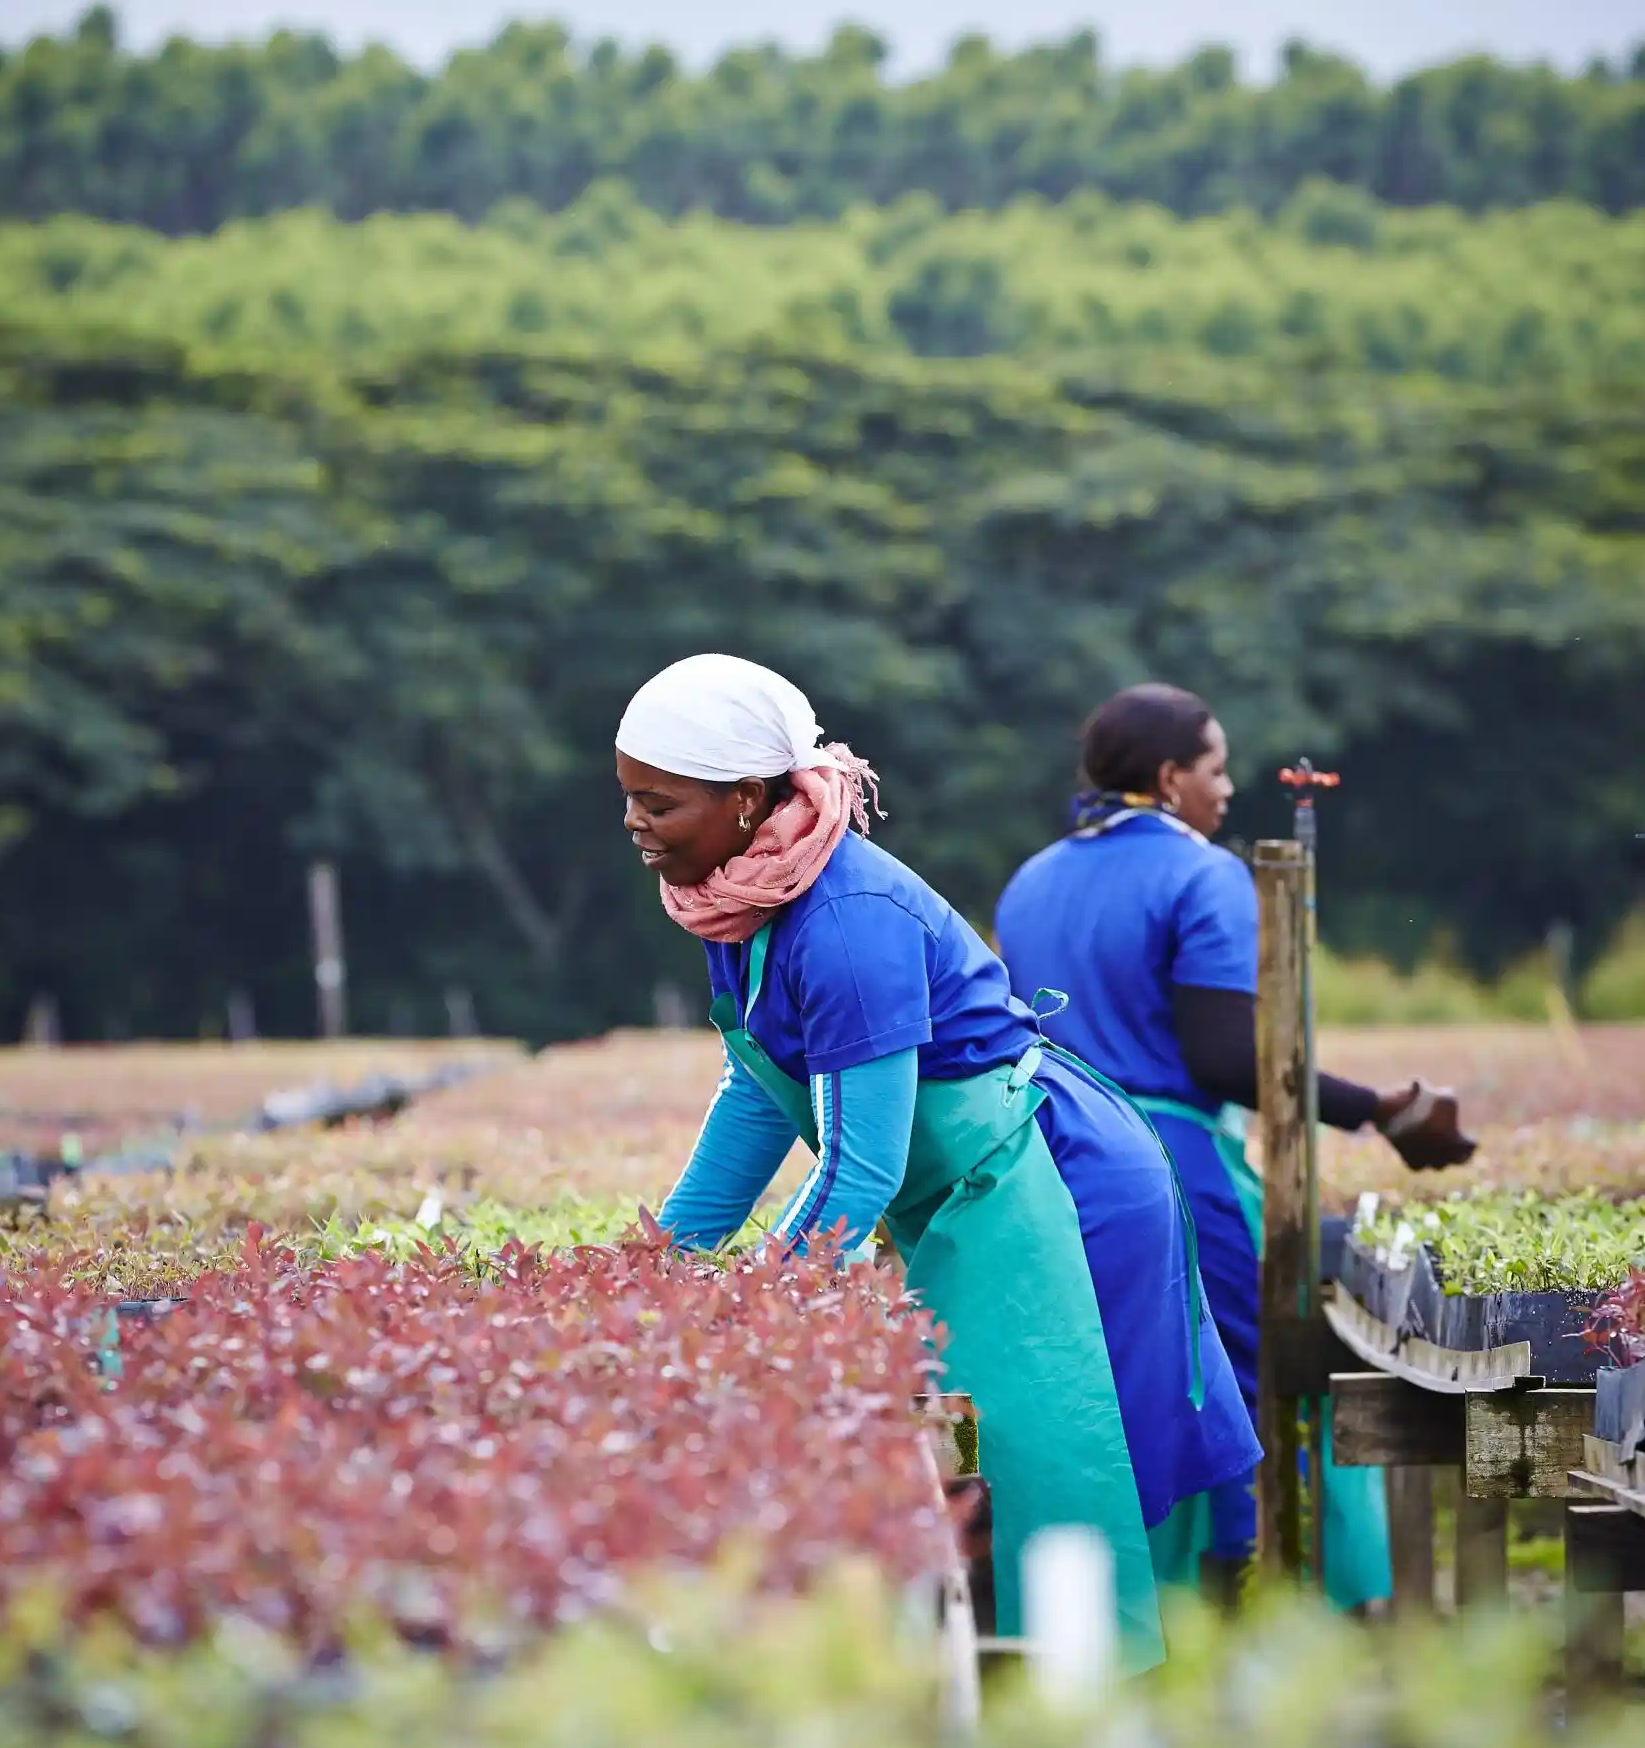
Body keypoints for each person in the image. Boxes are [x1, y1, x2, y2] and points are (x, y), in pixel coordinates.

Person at [617, 652, 1260, 1670]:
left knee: (1055, 1456)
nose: (634, 824)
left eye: (658, 803)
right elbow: (758, 1094)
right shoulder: (735, 900)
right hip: (965, 1196)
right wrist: (652, 1269)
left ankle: (1113, 1708)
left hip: (1049, 1188)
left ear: (747, 799)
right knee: (1018, 1464)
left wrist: (736, 1312)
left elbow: (855, 1173)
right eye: (629, 800)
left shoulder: (845, 922)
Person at [994, 680, 1477, 1608]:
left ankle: (1115, 1603)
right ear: (1171, 778)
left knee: (1102, 1381)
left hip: (1046, 1158)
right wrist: (1380, 1109)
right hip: (1169, 1167)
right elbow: (1224, 1058)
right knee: (1245, 1378)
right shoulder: (1201, 872)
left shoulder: (1033, 879)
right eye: (1216, 771)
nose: (1227, 791)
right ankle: (1271, 1593)